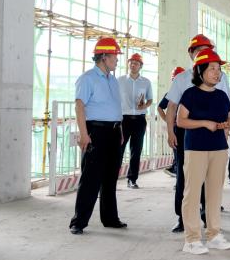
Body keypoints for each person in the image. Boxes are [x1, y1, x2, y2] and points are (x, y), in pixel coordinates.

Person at [165, 34, 230, 233]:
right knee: (185, 178)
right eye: (199, 50)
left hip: (214, 133)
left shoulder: (220, 76)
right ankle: (183, 218)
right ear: (191, 53)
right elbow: (171, 107)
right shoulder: (182, 79)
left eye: (207, 49)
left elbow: (226, 105)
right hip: (188, 133)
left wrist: (226, 129)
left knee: (211, 179)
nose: (203, 53)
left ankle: (207, 217)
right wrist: (170, 132)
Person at [176, 48, 230, 254]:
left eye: (219, 69)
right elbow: (180, 120)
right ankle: (191, 239)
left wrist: (228, 123)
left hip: (219, 148)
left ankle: (213, 235)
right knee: (192, 194)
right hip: (196, 149)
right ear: (200, 71)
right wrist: (204, 123)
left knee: (215, 194)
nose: (217, 73)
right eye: (212, 69)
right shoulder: (190, 94)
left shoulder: (221, 95)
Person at [70, 37, 128, 235]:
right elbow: (79, 106)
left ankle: (110, 218)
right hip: (96, 132)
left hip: (114, 132)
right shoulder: (87, 78)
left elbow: (115, 108)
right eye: (114, 56)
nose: (117, 60)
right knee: (91, 178)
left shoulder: (113, 80)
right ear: (103, 57)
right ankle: (78, 222)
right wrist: (84, 134)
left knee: (110, 178)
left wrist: (120, 131)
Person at [118, 53, 153, 189]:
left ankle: (132, 179)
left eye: (136, 63)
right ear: (128, 64)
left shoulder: (146, 82)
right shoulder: (120, 80)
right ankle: (112, 179)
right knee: (118, 150)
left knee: (136, 150)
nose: (133, 65)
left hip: (139, 120)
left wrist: (145, 106)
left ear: (140, 66)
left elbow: (150, 99)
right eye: (131, 62)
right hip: (123, 120)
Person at [158, 66, 185, 178]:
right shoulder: (170, 94)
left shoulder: (189, 93)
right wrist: (168, 121)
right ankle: (179, 178)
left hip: (188, 127)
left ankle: (180, 174)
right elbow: (160, 107)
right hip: (176, 129)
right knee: (178, 154)